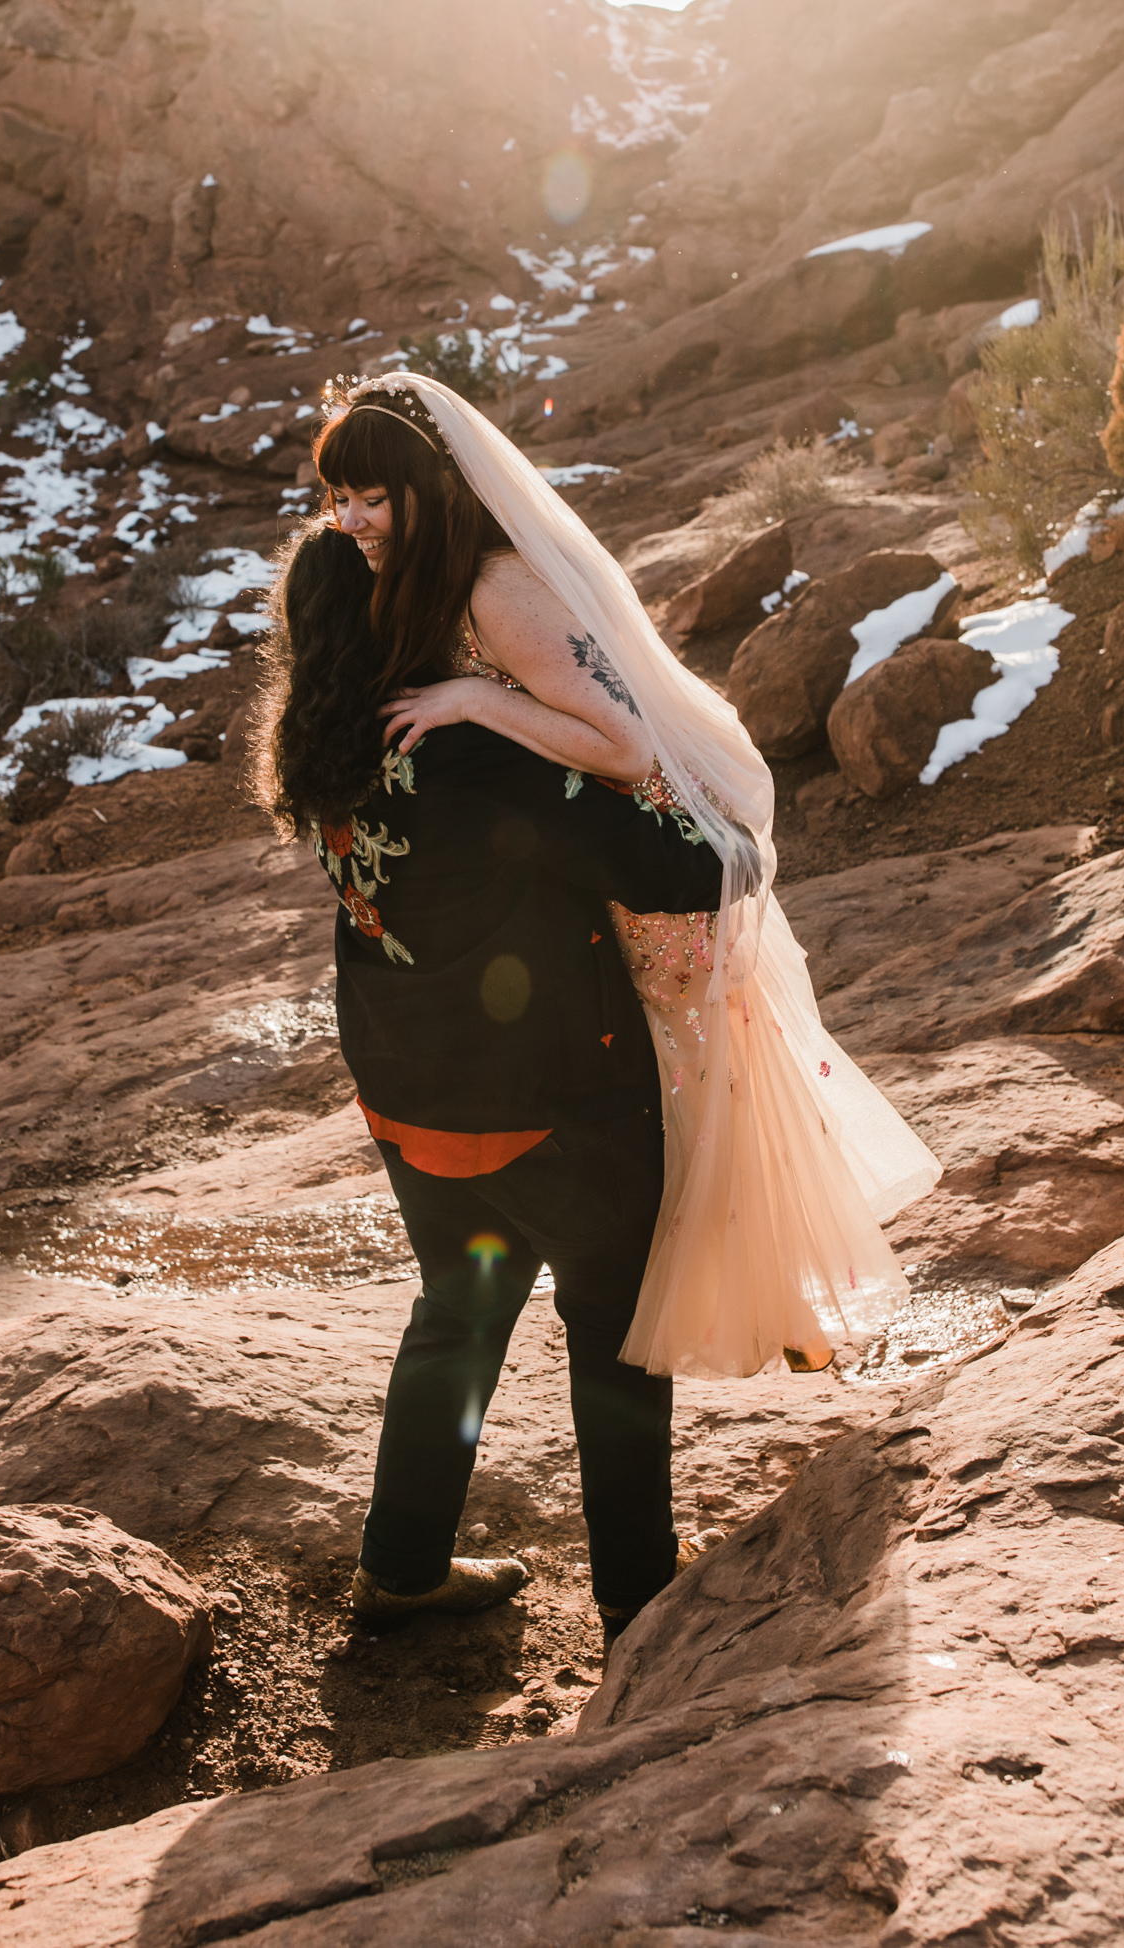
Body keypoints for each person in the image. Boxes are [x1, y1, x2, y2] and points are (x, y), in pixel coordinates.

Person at [311, 372, 942, 1381]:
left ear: (430, 487)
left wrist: (478, 697)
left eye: (370, 498)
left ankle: (770, 1305)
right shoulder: (422, 577)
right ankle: (771, 1310)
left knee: (689, 1096)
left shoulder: (496, 588)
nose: (348, 521)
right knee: (679, 1104)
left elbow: (624, 744)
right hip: (575, 858)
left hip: (639, 858)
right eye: (337, 498)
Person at [258, 521, 725, 1637]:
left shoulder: (312, 740)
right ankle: (636, 1596)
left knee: (456, 1314)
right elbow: (680, 864)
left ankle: (403, 1563)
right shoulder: (466, 752)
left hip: (410, 1093)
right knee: (614, 1329)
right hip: (546, 1098)